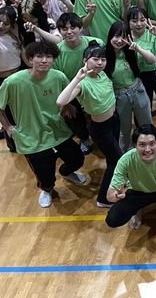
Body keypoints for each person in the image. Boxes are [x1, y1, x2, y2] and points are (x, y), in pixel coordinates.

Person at [0, 41, 87, 208]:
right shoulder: (13, 82)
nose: (44, 60)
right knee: (45, 174)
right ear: (30, 60)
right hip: (31, 137)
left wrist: (67, 106)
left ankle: (67, 172)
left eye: (48, 56)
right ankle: (47, 189)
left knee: (77, 159)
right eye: (39, 56)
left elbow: (67, 94)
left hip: (58, 130)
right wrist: (7, 127)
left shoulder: (58, 76)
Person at [56, 43, 122, 207]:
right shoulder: (82, 83)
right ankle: (103, 199)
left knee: (113, 159)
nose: (100, 62)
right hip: (101, 128)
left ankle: (114, 185)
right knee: (117, 160)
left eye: (103, 59)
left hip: (114, 120)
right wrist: (78, 77)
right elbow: (61, 101)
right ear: (85, 60)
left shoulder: (102, 74)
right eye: (95, 59)